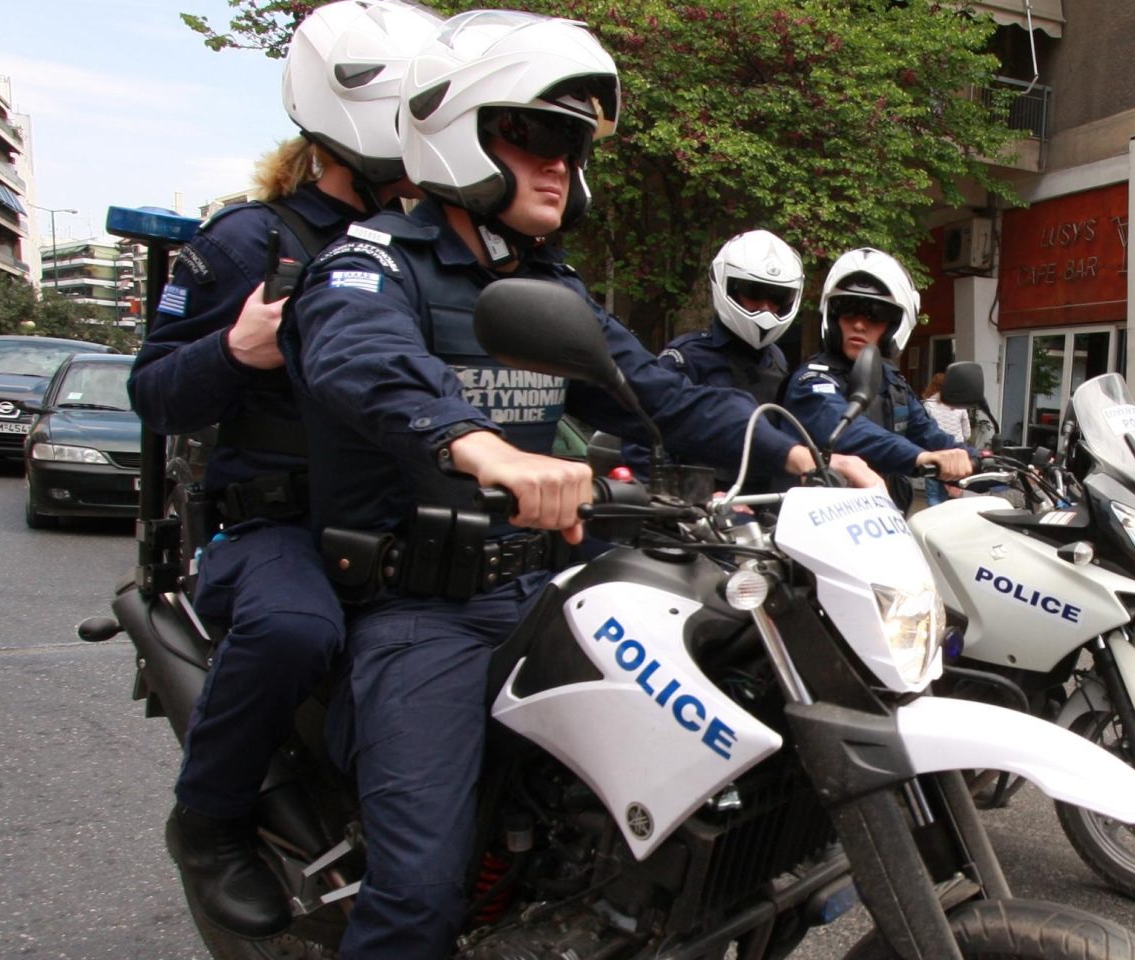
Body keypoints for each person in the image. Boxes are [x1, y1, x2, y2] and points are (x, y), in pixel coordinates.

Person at [280, 12, 873, 957]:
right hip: (420, 608)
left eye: (574, 145)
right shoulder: (368, 264)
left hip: (543, 587)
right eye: (534, 135)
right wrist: (480, 446)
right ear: (456, 133)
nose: (560, 165)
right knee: (420, 893)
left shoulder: (553, 287)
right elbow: (365, 363)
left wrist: (806, 458)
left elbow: (661, 397)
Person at [124, 0, 444, 940]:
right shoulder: (247, 241)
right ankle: (209, 821)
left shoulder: (438, 249)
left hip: (405, 520)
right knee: (294, 629)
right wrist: (234, 349)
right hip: (278, 526)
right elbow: (154, 393)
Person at [781, 248, 974, 507]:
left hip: (883, 518)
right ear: (833, 317)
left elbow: (929, 434)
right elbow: (848, 431)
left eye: (876, 314)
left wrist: (978, 459)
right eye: (848, 311)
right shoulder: (812, 381)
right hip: (823, 520)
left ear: (894, 325)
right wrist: (920, 458)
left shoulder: (893, 382)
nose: (859, 325)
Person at [627, 229, 805, 487]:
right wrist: (695, 497)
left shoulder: (777, 359)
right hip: (702, 505)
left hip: (768, 502)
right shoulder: (686, 357)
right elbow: (643, 439)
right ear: (728, 287)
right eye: (754, 292)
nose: (765, 307)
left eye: (777, 297)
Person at [920, 373, 971, 507]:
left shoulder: (927, 405)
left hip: (934, 451)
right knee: (950, 490)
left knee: (933, 493)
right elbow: (967, 433)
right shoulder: (960, 406)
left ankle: (935, 514)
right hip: (956, 451)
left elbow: (923, 430)